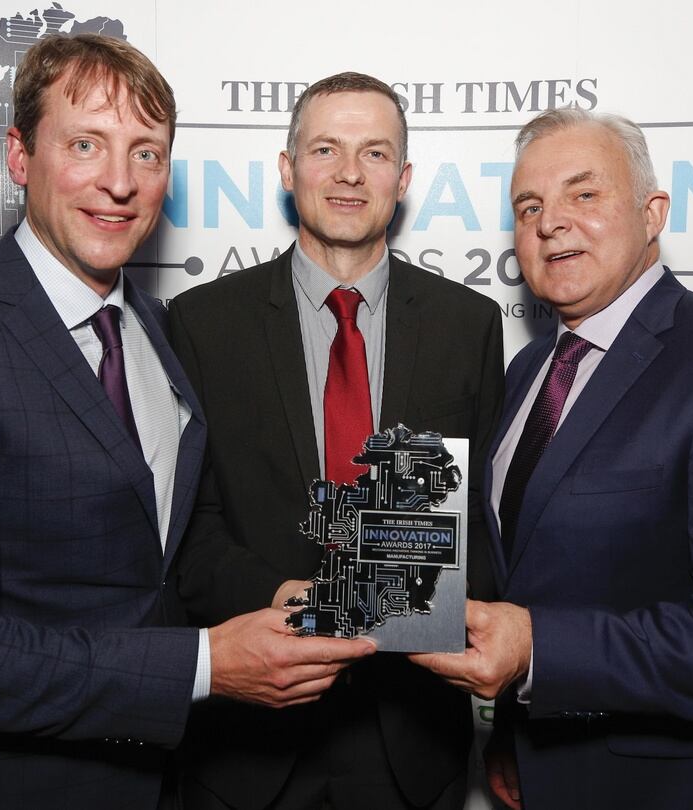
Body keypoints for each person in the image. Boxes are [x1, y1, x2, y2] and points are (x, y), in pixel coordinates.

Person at [0, 35, 373, 810]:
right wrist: (205, 666)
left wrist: (281, 595)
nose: (119, 182)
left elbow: (153, 562)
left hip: (153, 780)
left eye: (146, 153)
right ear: (19, 155)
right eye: (85, 144)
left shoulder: (159, 330)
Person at [411, 107, 693, 810]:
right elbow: (534, 573)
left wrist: (537, 651)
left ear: (652, 213)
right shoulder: (527, 372)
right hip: (548, 771)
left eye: (584, 193)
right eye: (529, 206)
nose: (551, 222)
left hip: (689, 790)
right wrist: (517, 731)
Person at [168, 72, 504, 810]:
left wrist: (429, 608)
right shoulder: (201, 323)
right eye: (326, 149)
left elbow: (484, 517)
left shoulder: (468, 324)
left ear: (403, 180)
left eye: (375, 153)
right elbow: (189, 529)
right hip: (250, 744)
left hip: (413, 738)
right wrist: (291, 600)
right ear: (288, 170)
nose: (350, 172)